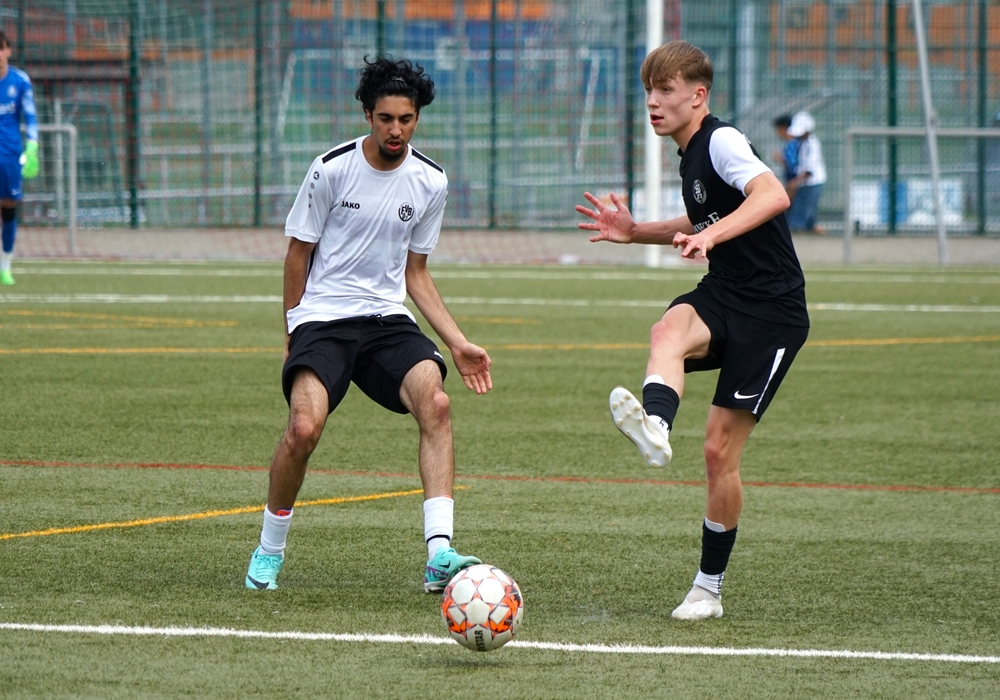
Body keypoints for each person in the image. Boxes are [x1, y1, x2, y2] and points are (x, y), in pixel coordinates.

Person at [576, 40, 809, 620]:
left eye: (666, 91)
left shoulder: (722, 140)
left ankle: (709, 589)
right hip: (726, 291)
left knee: (717, 452)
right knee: (667, 332)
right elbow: (703, 214)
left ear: (698, 95)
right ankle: (655, 427)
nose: (653, 102)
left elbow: (772, 195)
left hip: (772, 313)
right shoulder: (690, 154)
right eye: (648, 91)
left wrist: (711, 236)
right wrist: (637, 232)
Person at [245, 56, 492, 593]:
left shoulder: (431, 181)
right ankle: (269, 549)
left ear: (417, 117)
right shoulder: (330, 169)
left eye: (406, 119)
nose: (396, 130)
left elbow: (415, 273)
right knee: (304, 429)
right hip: (323, 318)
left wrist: (457, 342)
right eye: (385, 119)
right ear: (367, 116)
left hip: (386, 320)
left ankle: (439, 554)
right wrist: (293, 332)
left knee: (437, 403)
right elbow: (297, 255)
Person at [0, 30, 39, 286]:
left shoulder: (20, 81)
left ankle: (5, 266)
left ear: (8, 50)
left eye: (0, 48)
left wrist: (32, 147)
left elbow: (30, 116)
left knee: (8, 209)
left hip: (10, 156)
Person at [784, 110, 826, 234]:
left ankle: (798, 229)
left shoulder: (812, 145)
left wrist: (795, 182)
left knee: (802, 209)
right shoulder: (803, 143)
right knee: (806, 209)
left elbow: (809, 169)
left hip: (812, 182)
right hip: (805, 182)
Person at [771, 114, 799, 189]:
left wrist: (780, 159)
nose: (777, 133)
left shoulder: (792, 144)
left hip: (794, 181)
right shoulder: (791, 143)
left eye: (778, 129)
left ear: (783, 128)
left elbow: (792, 166)